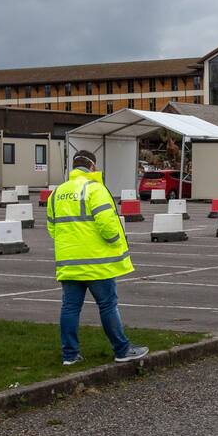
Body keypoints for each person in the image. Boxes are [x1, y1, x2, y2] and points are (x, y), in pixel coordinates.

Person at [46, 149, 148, 366]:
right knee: (108, 305)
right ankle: (122, 350)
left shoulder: (57, 193)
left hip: (69, 262)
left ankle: (70, 356)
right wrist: (113, 242)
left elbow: (52, 229)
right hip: (97, 262)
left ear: (74, 167)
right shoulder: (95, 189)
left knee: (70, 308)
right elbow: (108, 225)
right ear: (92, 166)